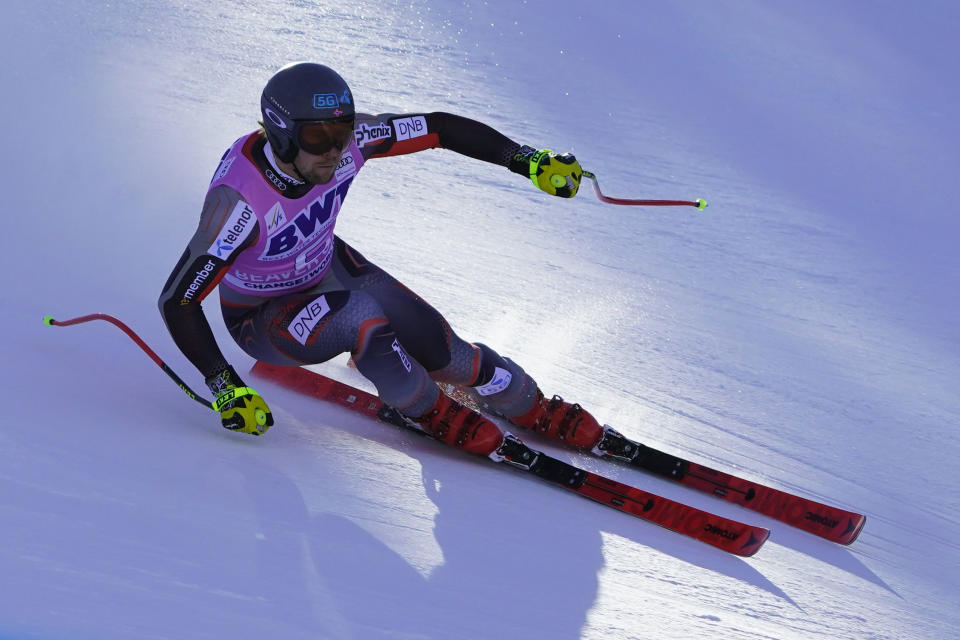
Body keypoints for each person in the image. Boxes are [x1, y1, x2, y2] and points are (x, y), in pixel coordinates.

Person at [158, 62, 605, 460]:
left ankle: (522, 399)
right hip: (261, 319)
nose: (335, 150)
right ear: (282, 133)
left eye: (343, 131)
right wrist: (225, 387)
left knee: (441, 349)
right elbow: (178, 300)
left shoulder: (350, 146)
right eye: (318, 137)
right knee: (363, 318)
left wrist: (526, 160)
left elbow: (439, 127)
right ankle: (423, 407)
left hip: (324, 267)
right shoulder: (238, 204)